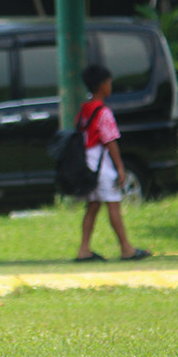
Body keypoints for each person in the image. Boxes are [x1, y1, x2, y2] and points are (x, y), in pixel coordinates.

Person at [73, 64, 152, 263]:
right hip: (101, 163)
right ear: (101, 86)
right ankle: (126, 248)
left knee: (93, 205)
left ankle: (84, 249)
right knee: (113, 203)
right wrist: (120, 167)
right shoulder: (103, 111)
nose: (110, 87)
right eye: (108, 83)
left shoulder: (84, 109)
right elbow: (110, 141)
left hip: (87, 161)